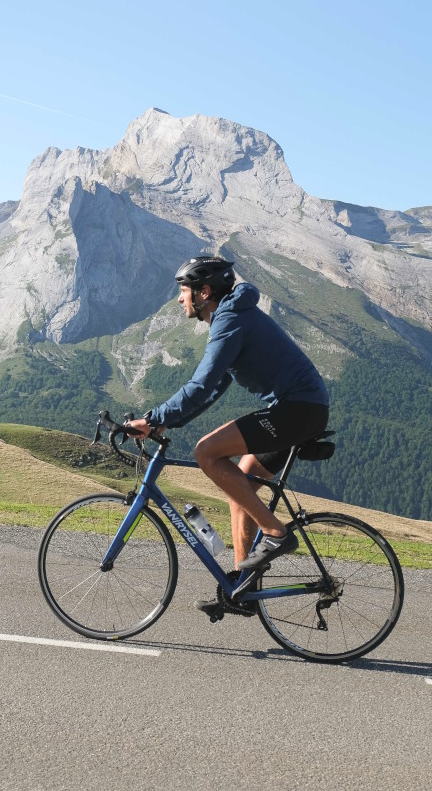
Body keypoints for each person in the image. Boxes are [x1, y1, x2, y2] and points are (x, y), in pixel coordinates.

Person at [126, 256, 330, 616]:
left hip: (297, 410)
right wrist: (164, 424)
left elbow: (202, 384)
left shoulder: (231, 319)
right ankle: (241, 587)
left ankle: (277, 534)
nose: (179, 300)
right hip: (300, 408)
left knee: (207, 453)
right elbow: (215, 386)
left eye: (184, 291)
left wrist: (154, 417)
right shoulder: (231, 316)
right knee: (242, 485)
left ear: (205, 292)